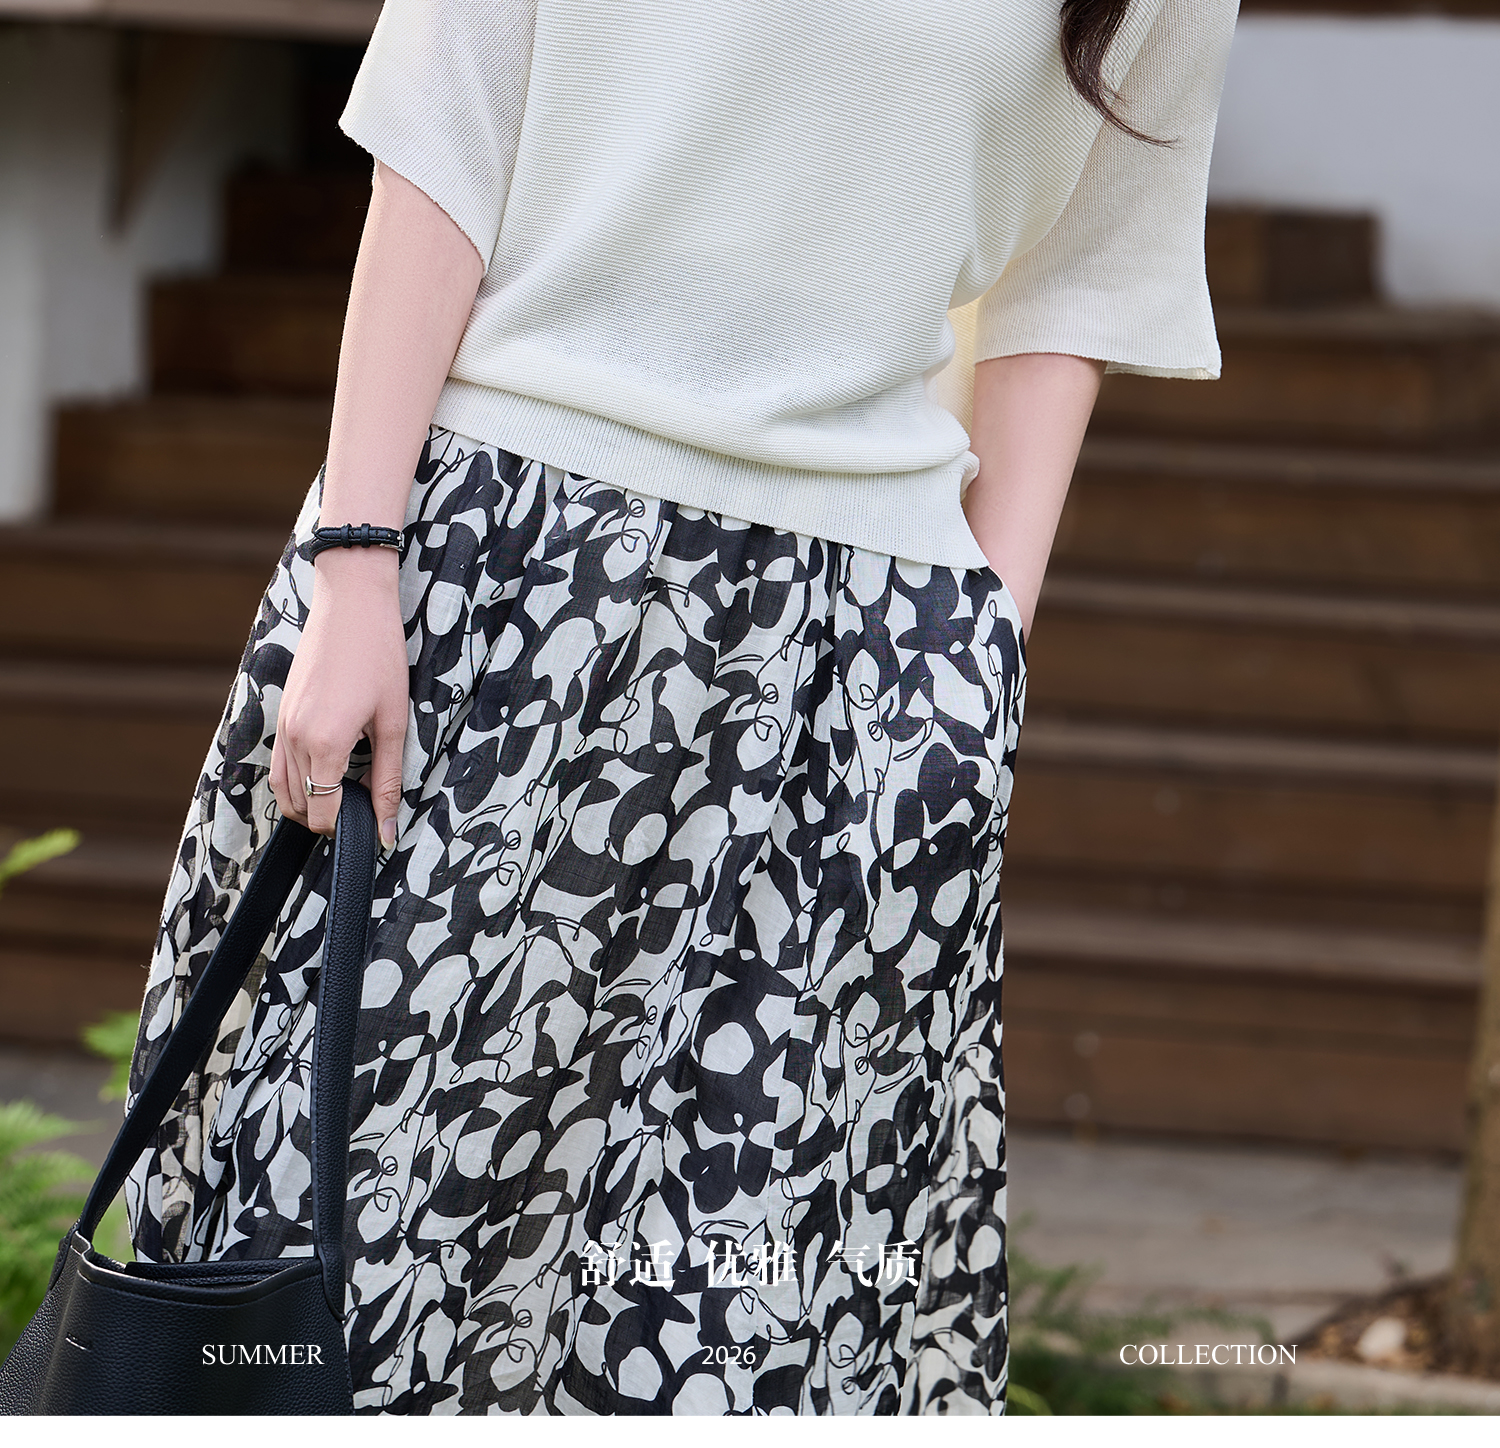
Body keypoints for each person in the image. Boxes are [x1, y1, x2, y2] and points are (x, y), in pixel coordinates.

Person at [124, 0, 1237, 1415]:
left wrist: (979, 656)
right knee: (353, 1257)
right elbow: (445, 139)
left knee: (736, 1312)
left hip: (855, 675)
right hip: (500, 584)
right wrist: (357, 560)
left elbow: (1075, 290)